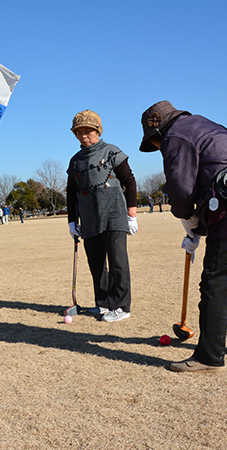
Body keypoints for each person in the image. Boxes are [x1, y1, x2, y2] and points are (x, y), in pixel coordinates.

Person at [139, 100, 227, 373]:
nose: (158, 148)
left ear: (157, 133)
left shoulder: (175, 136)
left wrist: (188, 219)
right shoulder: (206, 125)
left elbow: (180, 188)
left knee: (217, 283)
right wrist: (199, 226)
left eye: (154, 144)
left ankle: (209, 357)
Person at [66, 110, 138, 322]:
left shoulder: (112, 152)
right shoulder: (75, 161)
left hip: (114, 215)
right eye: (78, 132)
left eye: (87, 131)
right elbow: (71, 194)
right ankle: (103, 303)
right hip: (89, 219)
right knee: (96, 263)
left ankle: (122, 306)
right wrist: (72, 221)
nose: (83, 136)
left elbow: (130, 182)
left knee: (117, 262)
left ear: (97, 131)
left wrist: (131, 214)